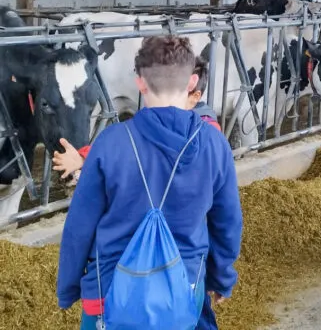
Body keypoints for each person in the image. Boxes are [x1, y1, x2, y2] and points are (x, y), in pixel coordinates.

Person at [56, 36, 243, 329]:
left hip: (109, 290)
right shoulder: (215, 144)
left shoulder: (110, 142)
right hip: (182, 288)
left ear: (140, 82)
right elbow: (227, 223)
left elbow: (79, 226)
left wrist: (68, 287)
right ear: (193, 81)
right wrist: (221, 278)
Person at [52, 57, 221, 181]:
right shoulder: (154, 121)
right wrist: (83, 158)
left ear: (195, 97)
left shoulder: (209, 131)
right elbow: (123, 145)